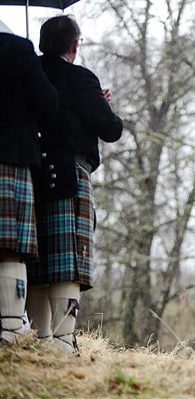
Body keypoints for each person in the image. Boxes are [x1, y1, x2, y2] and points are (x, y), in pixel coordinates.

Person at [25, 15, 123, 354]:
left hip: (30, 173)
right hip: (71, 172)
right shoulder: (81, 78)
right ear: (74, 45)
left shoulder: (29, 74)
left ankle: (39, 341)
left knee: (35, 260)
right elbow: (110, 129)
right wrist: (103, 103)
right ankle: (65, 340)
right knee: (69, 262)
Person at [0, 21, 59, 344]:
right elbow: (48, 105)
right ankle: (10, 329)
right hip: (10, 154)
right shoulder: (18, 48)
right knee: (10, 247)